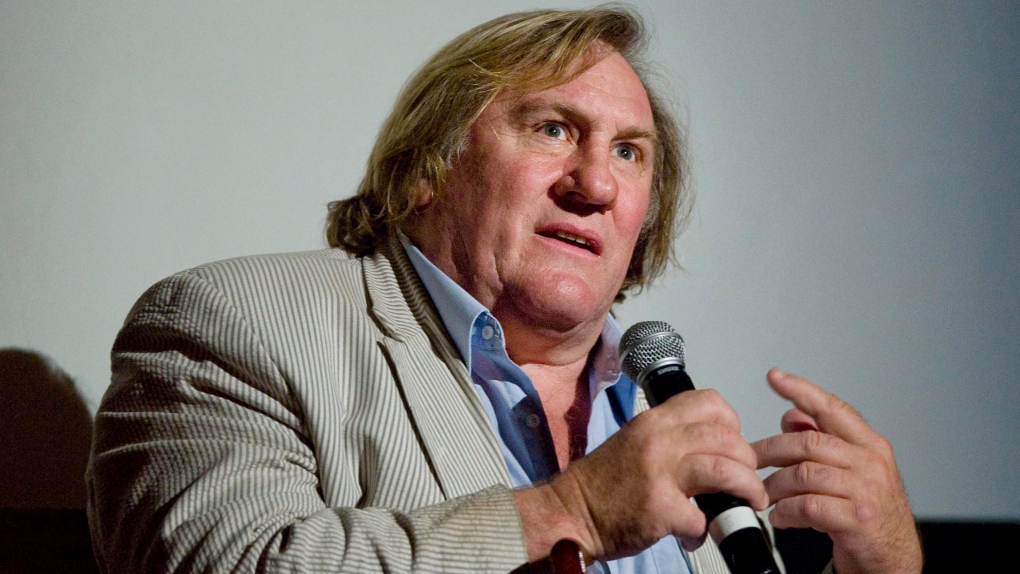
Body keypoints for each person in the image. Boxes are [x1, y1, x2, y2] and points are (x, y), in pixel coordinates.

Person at [87, 7, 922, 573]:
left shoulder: (661, 418)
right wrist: (573, 513)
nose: (596, 182)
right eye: (554, 129)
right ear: (428, 168)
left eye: (630, 152)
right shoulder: (233, 327)